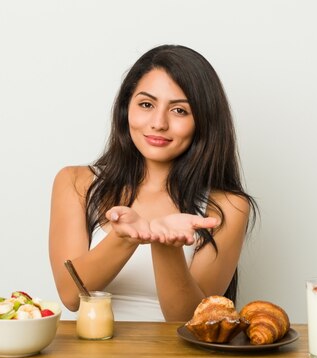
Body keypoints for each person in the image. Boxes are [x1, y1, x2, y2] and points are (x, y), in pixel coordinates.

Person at [49, 45, 257, 322]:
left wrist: (166, 247)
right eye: (146, 104)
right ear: (126, 109)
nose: (159, 123)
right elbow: (70, 296)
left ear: (203, 122)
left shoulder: (227, 207)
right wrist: (124, 238)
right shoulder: (76, 183)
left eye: (180, 110)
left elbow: (192, 321)